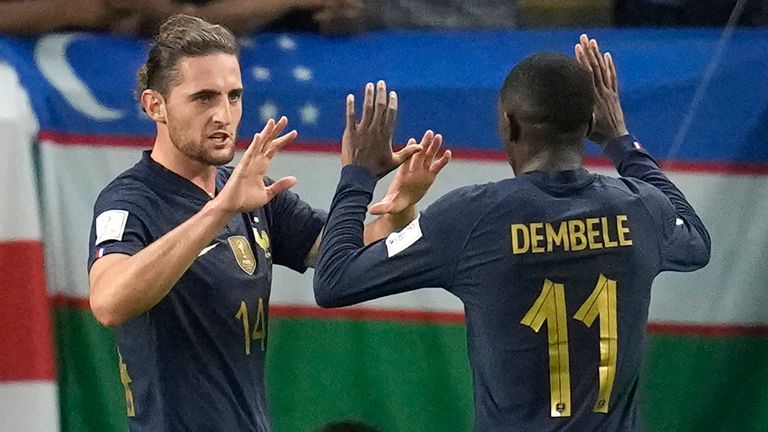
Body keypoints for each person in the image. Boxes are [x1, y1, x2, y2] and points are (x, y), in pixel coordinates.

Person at [313, 34, 711, 431]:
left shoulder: (471, 217)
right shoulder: (641, 207)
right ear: (591, 121)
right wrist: (621, 141)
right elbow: (696, 238)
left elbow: (334, 281)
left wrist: (358, 174)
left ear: (510, 124)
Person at [87, 14, 439, 431]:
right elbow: (108, 302)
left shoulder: (255, 194)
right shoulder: (130, 200)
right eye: (203, 98)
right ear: (155, 105)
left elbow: (350, 254)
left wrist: (399, 206)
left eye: (233, 96)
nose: (223, 114)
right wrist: (219, 210)